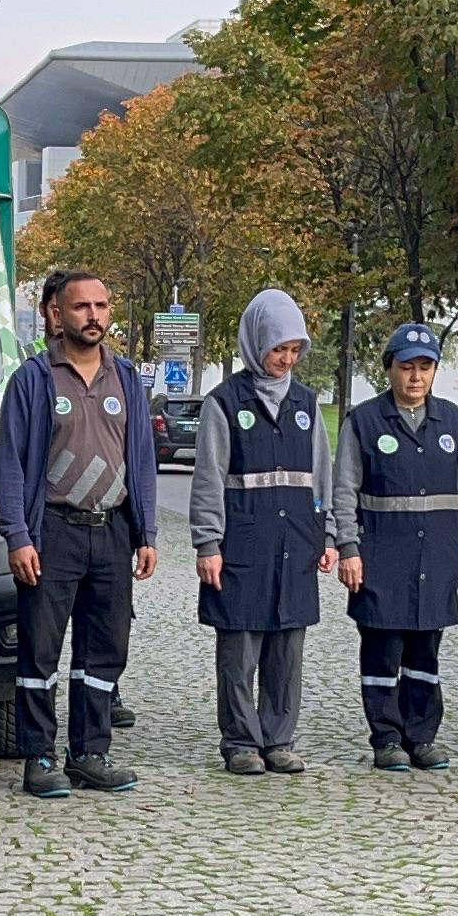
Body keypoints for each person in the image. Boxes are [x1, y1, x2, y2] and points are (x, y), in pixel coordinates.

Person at [0, 268, 159, 797]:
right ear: (57, 314)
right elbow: (9, 463)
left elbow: (143, 461)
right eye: (82, 306)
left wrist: (146, 532)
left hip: (110, 532)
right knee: (40, 652)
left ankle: (91, 752)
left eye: (102, 306)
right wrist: (17, 535)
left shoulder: (126, 378)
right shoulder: (35, 379)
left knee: (105, 650)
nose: (94, 316)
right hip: (53, 533)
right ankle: (39, 756)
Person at [325, 323, 458, 770]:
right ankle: (387, 738)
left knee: (424, 654)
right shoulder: (365, 420)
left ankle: (423, 736)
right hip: (382, 558)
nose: (416, 377)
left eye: (425, 367)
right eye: (406, 367)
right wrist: (349, 547)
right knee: (382, 651)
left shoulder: (453, 421)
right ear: (389, 370)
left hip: (436, 558)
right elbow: (345, 489)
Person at [192, 288, 332, 774]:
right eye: (278, 349)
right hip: (242, 544)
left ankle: (279, 739)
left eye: (294, 351)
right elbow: (209, 477)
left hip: (297, 541)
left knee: (287, 649)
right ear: (256, 344)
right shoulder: (224, 403)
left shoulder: (306, 403)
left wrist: (327, 532)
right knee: (240, 647)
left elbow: (321, 473)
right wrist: (207, 542)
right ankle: (240, 741)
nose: (286, 360)